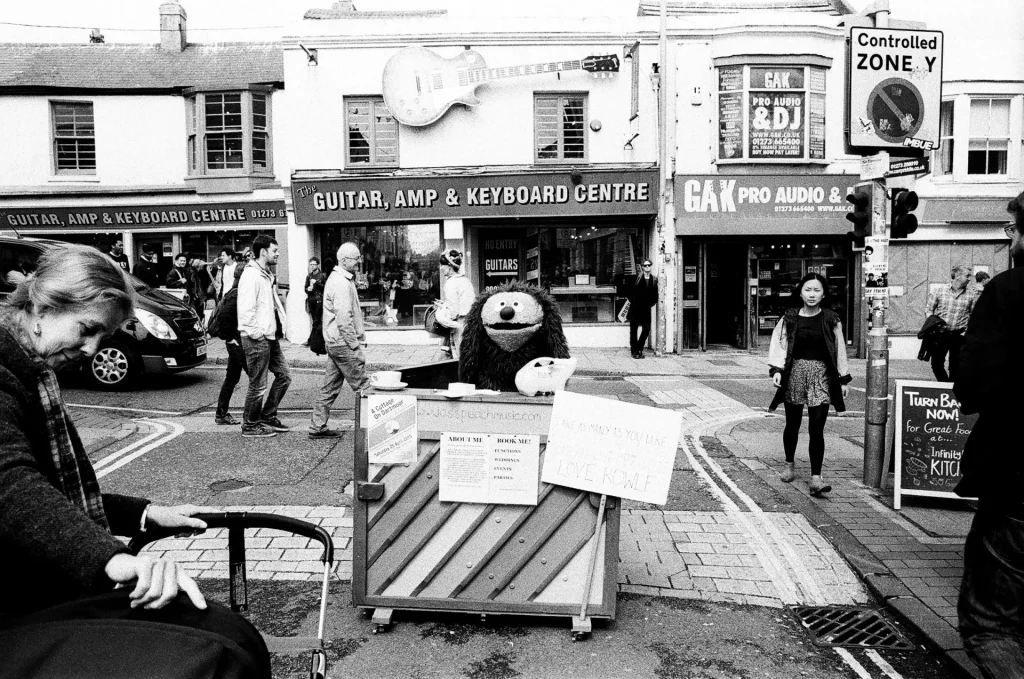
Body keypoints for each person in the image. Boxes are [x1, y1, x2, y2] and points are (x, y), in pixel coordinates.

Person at [0, 245, 270, 675]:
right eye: (87, 328)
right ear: (42, 306)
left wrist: (145, 514)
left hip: (46, 586)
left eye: (102, 337)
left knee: (229, 634)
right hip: (19, 608)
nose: (91, 350)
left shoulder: (30, 367)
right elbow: (11, 488)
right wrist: (114, 559)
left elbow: (57, 495)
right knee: (212, 653)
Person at [954, 193, 1024, 678]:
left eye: (1014, 229)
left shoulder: (1009, 291)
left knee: (996, 625)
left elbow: (974, 385)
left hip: (1018, 472)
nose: (1010, 237)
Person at [767, 272, 852, 497]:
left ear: (823, 294)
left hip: (822, 375)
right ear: (801, 293)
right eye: (808, 290)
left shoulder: (831, 318)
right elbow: (779, 344)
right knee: (792, 424)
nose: (812, 294)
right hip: (795, 373)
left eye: (816, 290)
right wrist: (777, 370)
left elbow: (840, 349)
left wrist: (843, 378)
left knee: (817, 427)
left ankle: (816, 477)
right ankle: (789, 464)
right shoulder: (790, 317)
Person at [308, 242, 370, 439]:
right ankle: (378, 426)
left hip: (335, 342)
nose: (359, 261)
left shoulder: (340, 279)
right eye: (356, 258)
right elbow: (344, 320)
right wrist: (355, 346)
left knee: (329, 387)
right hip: (343, 343)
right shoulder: (341, 283)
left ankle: (317, 426)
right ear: (343, 260)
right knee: (363, 386)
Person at [237, 235, 291, 438]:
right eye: (274, 251)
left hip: (269, 336)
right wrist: (256, 335)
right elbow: (246, 311)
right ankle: (250, 425)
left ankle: (267, 416)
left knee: (284, 376)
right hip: (256, 338)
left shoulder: (266, 275)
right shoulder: (251, 276)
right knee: (258, 385)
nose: (277, 254)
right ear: (263, 252)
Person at [925, 264, 978, 382]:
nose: (970, 279)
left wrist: (967, 332)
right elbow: (929, 310)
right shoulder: (940, 291)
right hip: (940, 335)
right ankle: (945, 386)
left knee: (956, 366)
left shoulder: (971, 294)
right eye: (967, 275)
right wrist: (934, 324)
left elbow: (974, 316)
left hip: (959, 336)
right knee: (936, 364)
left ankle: (953, 391)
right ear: (958, 276)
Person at [213, 265, 249, 426]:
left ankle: (221, 414)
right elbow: (223, 318)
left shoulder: (233, 292)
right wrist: (229, 339)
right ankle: (254, 417)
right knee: (256, 379)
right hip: (236, 343)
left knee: (231, 378)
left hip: (236, 342)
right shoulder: (236, 294)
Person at [436, 249, 475, 359]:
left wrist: (442, 311)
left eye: (442, 265)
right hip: (469, 322)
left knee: (459, 356)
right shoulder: (465, 280)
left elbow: (453, 312)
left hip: (460, 324)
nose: (440, 268)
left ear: (449, 266)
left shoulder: (451, 282)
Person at [627, 259, 658, 359]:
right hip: (635, 309)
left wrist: (650, 304)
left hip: (646, 309)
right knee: (634, 330)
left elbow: (655, 295)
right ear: (642, 267)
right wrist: (634, 301)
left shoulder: (654, 279)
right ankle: (634, 351)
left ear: (651, 266)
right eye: (645, 266)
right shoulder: (637, 278)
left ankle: (639, 348)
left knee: (646, 329)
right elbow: (630, 293)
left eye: (649, 265)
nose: (647, 267)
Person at [304, 256, 326, 325]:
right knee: (314, 320)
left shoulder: (322, 275)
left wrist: (316, 283)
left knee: (317, 321)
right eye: (311, 265)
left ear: (317, 265)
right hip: (311, 300)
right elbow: (305, 288)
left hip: (319, 300)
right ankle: (316, 335)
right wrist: (308, 289)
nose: (312, 266)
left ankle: (314, 335)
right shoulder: (309, 276)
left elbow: (325, 288)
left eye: (314, 264)